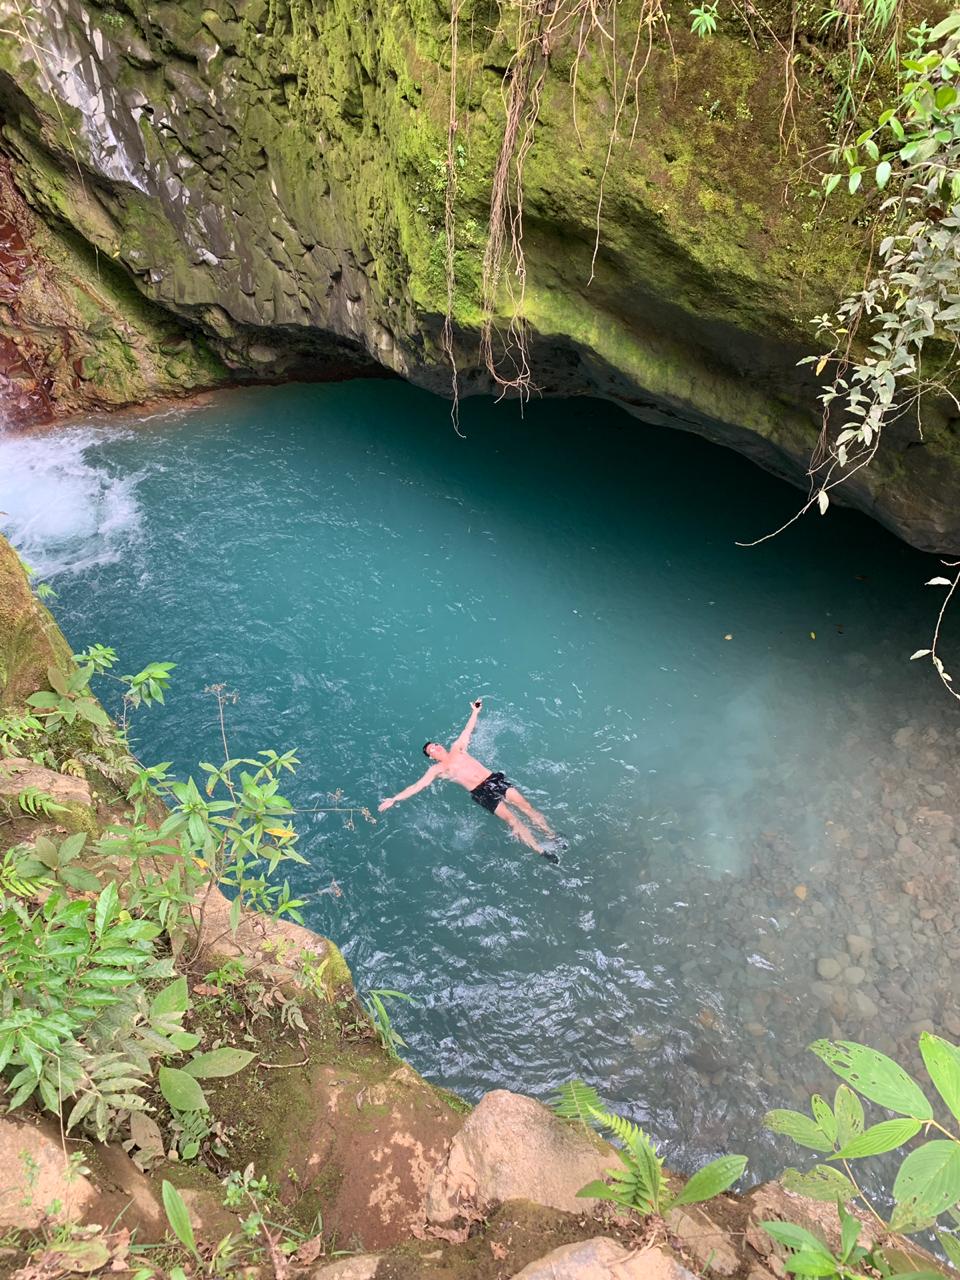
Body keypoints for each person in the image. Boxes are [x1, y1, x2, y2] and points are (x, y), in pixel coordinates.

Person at [378, 699, 559, 862]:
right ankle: (541, 851)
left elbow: (467, 730)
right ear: (431, 757)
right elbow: (418, 786)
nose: (435, 746)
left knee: (524, 805)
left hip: (493, 779)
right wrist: (394, 799)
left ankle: (552, 835)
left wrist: (475, 712)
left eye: (435, 744)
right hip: (481, 793)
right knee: (513, 821)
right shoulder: (437, 769)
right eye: (431, 749)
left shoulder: (458, 748)